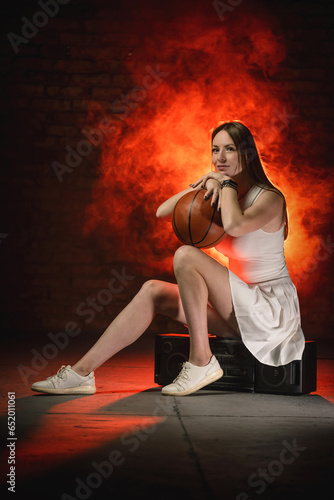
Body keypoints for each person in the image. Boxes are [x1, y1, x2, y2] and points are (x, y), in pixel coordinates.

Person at [31, 121, 305, 397]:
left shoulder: (270, 199)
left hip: (269, 311)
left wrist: (226, 183)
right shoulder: (222, 192)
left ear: (246, 153)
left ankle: (201, 360)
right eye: (215, 149)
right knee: (152, 291)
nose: (220, 158)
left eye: (229, 149)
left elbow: (234, 226)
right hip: (239, 311)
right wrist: (208, 181)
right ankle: (81, 373)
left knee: (187, 255)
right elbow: (163, 211)